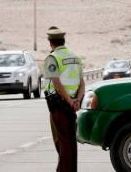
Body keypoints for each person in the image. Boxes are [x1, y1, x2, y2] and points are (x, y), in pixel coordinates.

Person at [43, 26, 85, 172]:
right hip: (72, 103)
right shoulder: (75, 57)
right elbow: (82, 84)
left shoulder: (53, 58)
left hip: (59, 105)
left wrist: (68, 101)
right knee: (70, 141)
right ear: (63, 41)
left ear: (50, 43)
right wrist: (77, 101)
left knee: (62, 142)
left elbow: (56, 83)